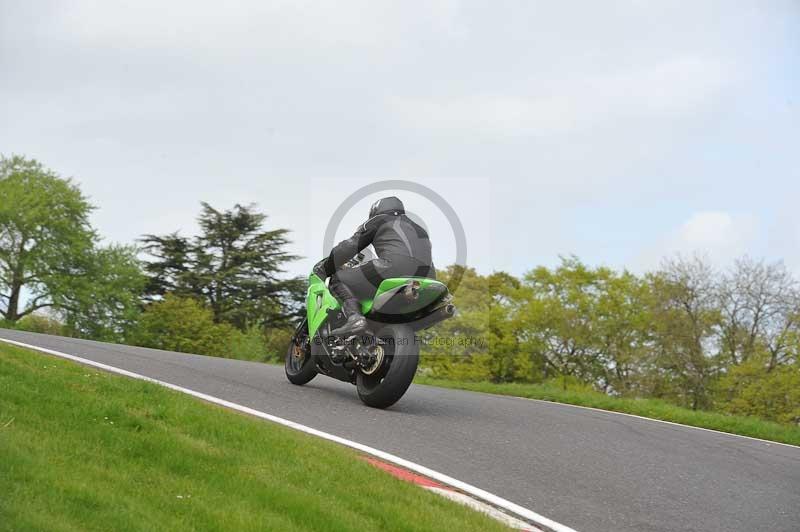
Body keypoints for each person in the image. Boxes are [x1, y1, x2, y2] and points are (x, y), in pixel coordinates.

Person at [313, 196, 436, 336]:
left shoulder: (378, 220)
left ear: (376, 211)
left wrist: (327, 267)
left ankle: (355, 318)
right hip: (427, 276)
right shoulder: (419, 229)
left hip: (394, 268)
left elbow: (350, 246)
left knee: (338, 279)